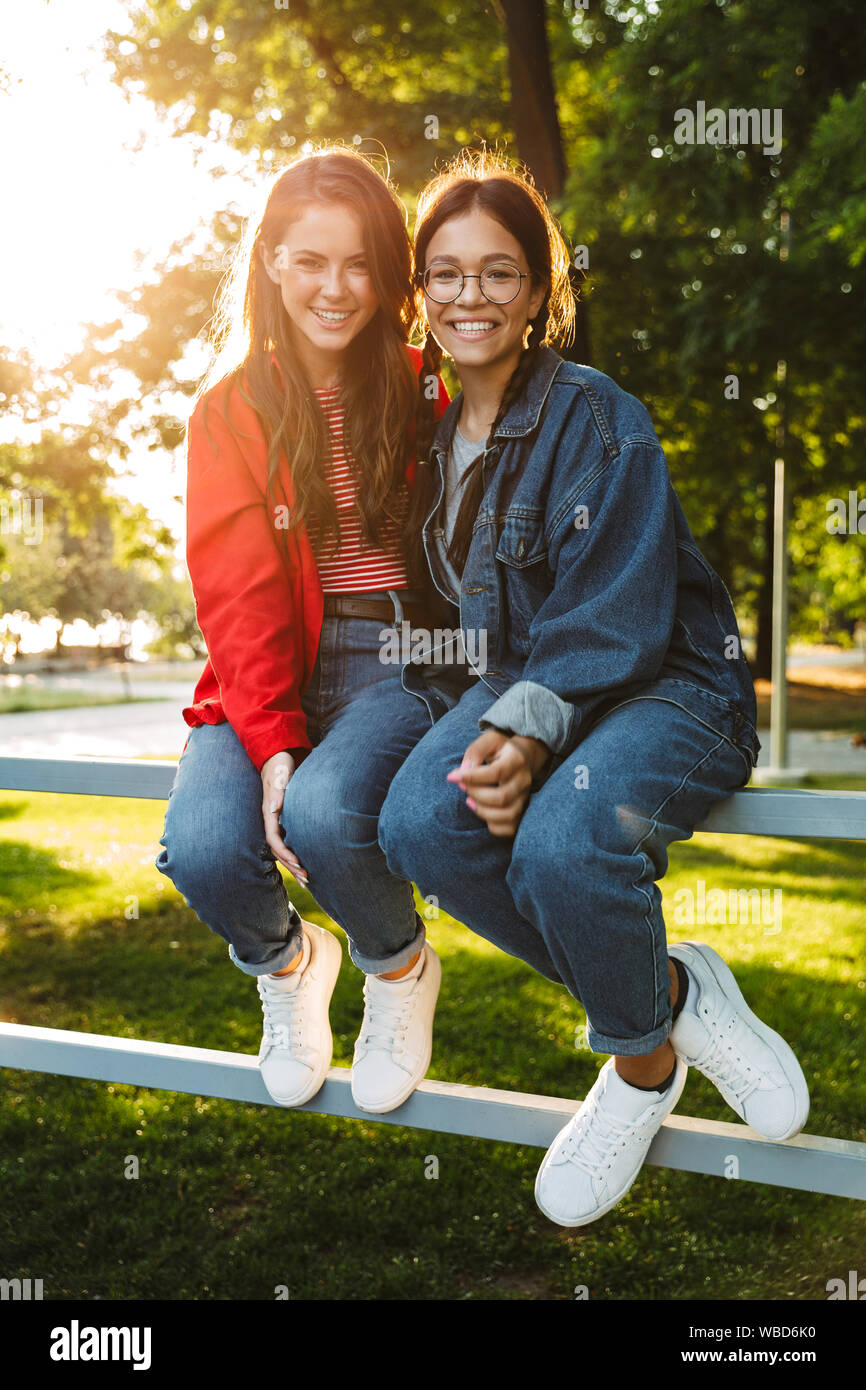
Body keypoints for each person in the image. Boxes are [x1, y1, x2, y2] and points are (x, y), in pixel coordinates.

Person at [377, 150, 810, 1226]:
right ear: (417, 290)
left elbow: (613, 621)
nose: (468, 296)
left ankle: (632, 1074)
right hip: (540, 697)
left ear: (538, 291)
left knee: (565, 845)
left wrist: (523, 738)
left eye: (498, 272)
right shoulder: (425, 444)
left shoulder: (596, 416)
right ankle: (664, 1001)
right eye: (445, 272)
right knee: (417, 825)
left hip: (669, 690)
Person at [156, 147, 450, 1116]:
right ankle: (289, 965)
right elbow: (237, 593)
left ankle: (398, 968)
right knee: (203, 847)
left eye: (360, 263)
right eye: (310, 260)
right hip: (263, 665)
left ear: (388, 277)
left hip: (396, 659)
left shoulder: (425, 388)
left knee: (324, 819)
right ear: (271, 262)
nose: (335, 287)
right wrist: (273, 739)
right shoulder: (227, 411)